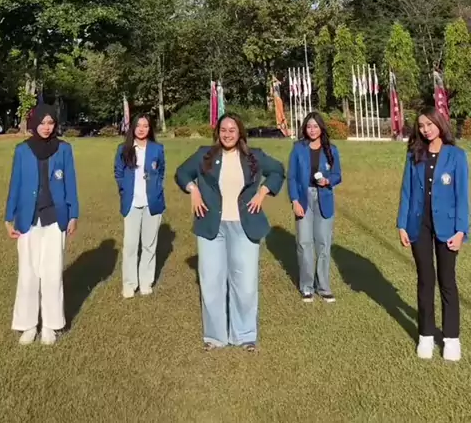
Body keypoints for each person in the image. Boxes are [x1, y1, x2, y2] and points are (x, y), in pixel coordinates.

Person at [175, 113, 285, 351]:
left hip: (244, 226)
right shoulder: (204, 155)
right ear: (218, 133)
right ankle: (215, 337)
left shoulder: (254, 156)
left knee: (245, 283)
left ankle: (244, 336)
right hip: (211, 226)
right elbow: (181, 173)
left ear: (240, 133)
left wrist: (262, 192)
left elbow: (277, 171)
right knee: (211, 282)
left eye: (232, 130)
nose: (227, 134)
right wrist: (193, 189)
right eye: (223, 130)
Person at [397, 107, 468, 361]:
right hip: (419, 225)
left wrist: (461, 231)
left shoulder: (456, 156)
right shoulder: (414, 155)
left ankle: (451, 338)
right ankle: (425, 335)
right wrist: (402, 225)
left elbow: (462, 196)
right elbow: (406, 192)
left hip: (447, 228)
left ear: (439, 124)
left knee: (447, 281)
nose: (425, 130)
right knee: (425, 280)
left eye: (429, 124)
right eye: (421, 126)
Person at [4, 104, 79, 345]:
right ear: (34, 123)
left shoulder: (64, 149)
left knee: (52, 274)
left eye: (51, 123)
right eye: (43, 122)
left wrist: (73, 214)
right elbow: (15, 184)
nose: (47, 127)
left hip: (55, 218)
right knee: (28, 275)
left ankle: (50, 325)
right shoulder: (22, 150)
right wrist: (8, 217)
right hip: (28, 219)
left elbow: (71, 183)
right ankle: (28, 324)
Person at [287, 111, 342, 302]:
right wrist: (294, 200)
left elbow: (337, 175)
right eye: (309, 126)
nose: (312, 130)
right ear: (305, 129)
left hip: (323, 198)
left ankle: (324, 287)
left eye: (315, 126)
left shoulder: (331, 150)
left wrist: (328, 181)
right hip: (304, 199)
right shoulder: (298, 149)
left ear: (321, 128)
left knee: (323, 243)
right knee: (304, 243)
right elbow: (291, 177)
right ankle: (307, 286)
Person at [114, 114, 165, 298]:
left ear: (150, 129)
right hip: (132, 203)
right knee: (130, 245)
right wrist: (124, 190)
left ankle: (145, 282)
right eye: (139, 126)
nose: (142, 129)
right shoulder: (124, 149)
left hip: (152, 203)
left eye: (146, 126)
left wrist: (156, 188)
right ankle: (129, 283)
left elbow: (161, 171)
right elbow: (118, 172)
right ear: (133, 128)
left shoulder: (157, 149)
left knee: (149, 244)